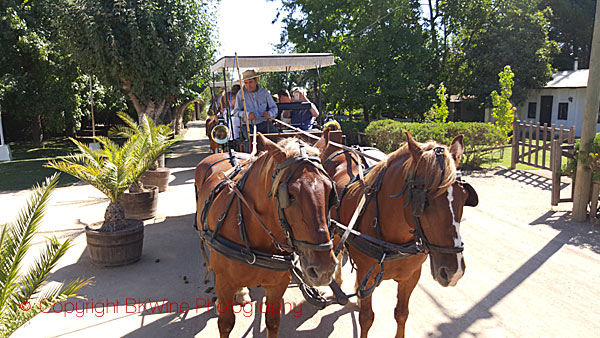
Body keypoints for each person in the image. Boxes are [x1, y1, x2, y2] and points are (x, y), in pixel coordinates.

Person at [232, 70, 278, 136]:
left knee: (277, 137)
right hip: (248, 125)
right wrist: (247, 115)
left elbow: (274, 108)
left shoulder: (264, 93)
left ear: (256, 80)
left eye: (250, 82)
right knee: (250, 142)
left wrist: (270, 113)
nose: (248, 85)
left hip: (264, 123)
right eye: (246, 83)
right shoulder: (240, 94)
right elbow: (236, 112)